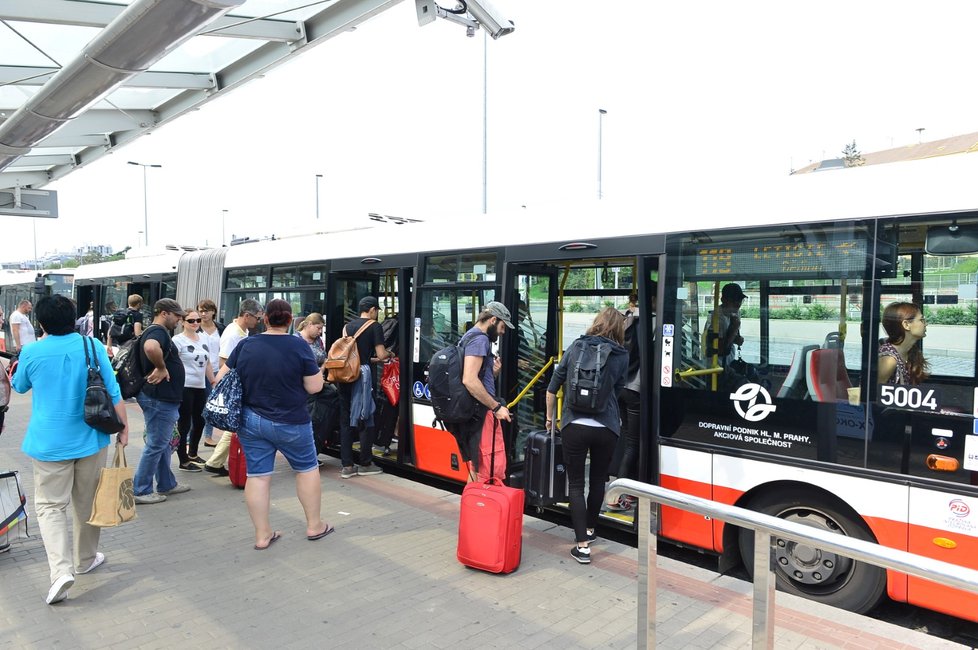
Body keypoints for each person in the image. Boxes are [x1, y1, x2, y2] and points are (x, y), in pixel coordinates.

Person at [10, 294, 129, 604]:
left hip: (49, 443)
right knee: (87, 502)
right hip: (92, 437)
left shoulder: (32, 352)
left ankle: (60, 571)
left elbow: (20, 386)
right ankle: (86, 559)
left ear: (40, 322)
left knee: (50, 506)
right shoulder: (92, 347)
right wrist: (124, 432)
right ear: (74, 318)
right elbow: (114, 392)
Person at [220, 299, 332, 549]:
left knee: (258, 476)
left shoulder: (246, 345)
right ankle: (314, 525)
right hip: (292, 420)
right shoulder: (298, 346)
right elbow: (315, 387)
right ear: (291, 321)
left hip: (251, 421)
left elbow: (220, 377)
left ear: (265, 319)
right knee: (306, 468)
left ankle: (262, 535)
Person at [546, 307, 628, 564]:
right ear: (618, 328)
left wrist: (551, 418)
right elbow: (619, 391)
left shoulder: (576, 346)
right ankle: (591, 530)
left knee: (576, 485)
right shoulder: (620, 355)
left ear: (596, 322)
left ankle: (582, 546)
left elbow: (552, 388)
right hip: (607, 429)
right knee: (597, 482)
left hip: (575, 426)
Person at [133, 299, 190, 504]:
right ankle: (140, 490)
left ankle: (166, 483)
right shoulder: (157, 332)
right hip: (159, 398)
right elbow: (150, 347)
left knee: (162, 443)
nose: (179, 320)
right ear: (165, 313)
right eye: (177, 316)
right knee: (156, 444)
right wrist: (162, 366)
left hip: (160, 398)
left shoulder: (155, 330)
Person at [204, 299, 263, 478]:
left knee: (235, 424)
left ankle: (214, 462)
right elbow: (224, 363)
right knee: (236, 423)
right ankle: (215, 462)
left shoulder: (241, 330)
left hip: (239, 383)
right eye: (257, 318)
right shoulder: (232, 335)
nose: (258, 322)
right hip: (235, 385)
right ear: (247, 316)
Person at [456, 302, 513, 483]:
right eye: (502, 327)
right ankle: (481, 507)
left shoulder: (469, 336)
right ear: (493, 320)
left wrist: (492, 373)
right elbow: (469, 380)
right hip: (481, 413)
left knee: (477, 466)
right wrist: (496, 407)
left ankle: (471, 508)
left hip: (475, 410)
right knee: (489, 467)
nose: (502, 332)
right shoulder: (480, 339)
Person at [338, 297, 389, 479]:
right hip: (363, 378)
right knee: (366, 415)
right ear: (373, 310)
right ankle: (366, 463)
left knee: (345, 418)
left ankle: (347, 466)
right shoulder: (374, 326)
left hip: (345, 375)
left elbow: (352, 353)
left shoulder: (347, 327)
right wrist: (389, 354)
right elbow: (382, 354)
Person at [607, 292, 642, 512]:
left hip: (619, 387)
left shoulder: (620, 321)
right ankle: (616, 494)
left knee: (626, 436)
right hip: (636, 389)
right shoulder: (648, 321)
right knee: (633, 443)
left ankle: (626, 489)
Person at [173, 309, 215, 470]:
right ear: (183, 322)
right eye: (191, 321)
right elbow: (173, 364)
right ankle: (183, 460)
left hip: (200, 386)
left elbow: (208, 362)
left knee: (201, 420)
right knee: (184, 423)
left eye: (197, 320)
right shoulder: (178, 340)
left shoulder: (203, 338)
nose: (196, 323)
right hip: (185, 386)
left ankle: (193, 453)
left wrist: (213, 380)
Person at [878, 302, 930, 385]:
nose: (925, 324)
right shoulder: (889, 359)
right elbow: (873, 392)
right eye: (921, 320)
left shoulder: (910, 352)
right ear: (906, 325)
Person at [196, 299, 224, 446]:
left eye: (206, 310)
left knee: (212, 403)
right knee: (196, 404)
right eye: (201, 310)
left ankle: (208, 436)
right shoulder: (195, 327)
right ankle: (190, 436)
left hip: (216, 370)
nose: (203, 314)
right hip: (198, 371)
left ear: (213, 311)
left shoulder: (220, 328)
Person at [703, 283, 746, 366]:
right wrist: (734, 328)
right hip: (715, 366)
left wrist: (737, 339)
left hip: (728, 362)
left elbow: (729, 338)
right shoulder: (716, 318)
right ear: (724, 300)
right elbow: (720, 348)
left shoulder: (735, 313)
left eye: (740, 300)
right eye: (733, 301)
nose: (738, 304)